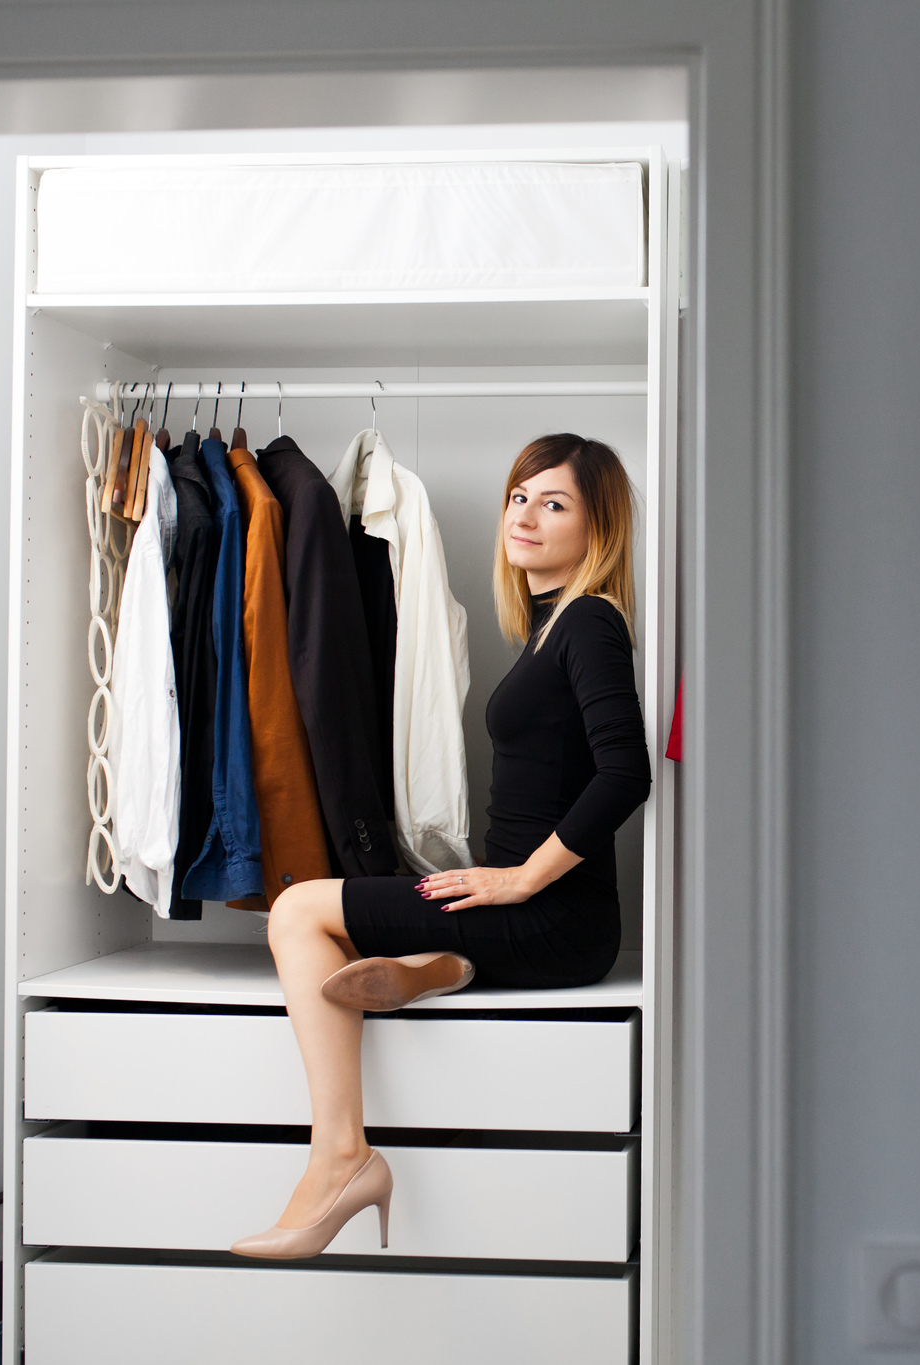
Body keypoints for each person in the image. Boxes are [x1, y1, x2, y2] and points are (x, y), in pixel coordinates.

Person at [229, 434, 651, 1259]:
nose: (525, 515)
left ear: (597, 527)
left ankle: (342, 1157)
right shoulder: (551, 625)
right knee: (344, 932)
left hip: (555, 919)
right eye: (519, 496)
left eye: (554, 503)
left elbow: (625, 772)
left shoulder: (590, 622)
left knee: (297, 912)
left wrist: (520, 880)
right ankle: (440, 966)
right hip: (538, 916)